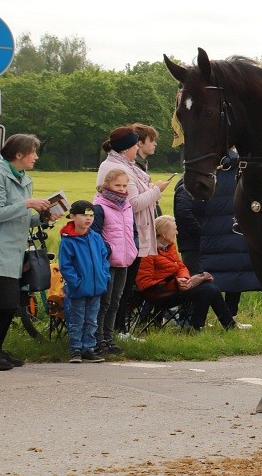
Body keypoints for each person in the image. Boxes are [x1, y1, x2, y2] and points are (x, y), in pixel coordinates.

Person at [0, 134, 50, 371]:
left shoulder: (24, 179)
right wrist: (27, 205)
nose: (36, 157)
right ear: (19, 154)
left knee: (11, 304)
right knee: (4, 303)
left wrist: (43, 217)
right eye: (33, 152)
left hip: (12, 251)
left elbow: (20, 217)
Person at [97, 125, 172, 337]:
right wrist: (157, 190)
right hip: (126, 232)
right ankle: (115, 331)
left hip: (130, 232)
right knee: (120, 288)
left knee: (124, 287)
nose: (137, 148)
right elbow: (133, 203)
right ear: (126, 148)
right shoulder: (116, 167)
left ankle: (117, 329)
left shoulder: (127, 166)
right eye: (134, 144)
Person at [176, 150, 259, 321]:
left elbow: (184, 210)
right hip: (234, 235)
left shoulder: (200, 178)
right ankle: (228, 317)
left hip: (205, 239)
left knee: (196, 278)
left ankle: (191, 317)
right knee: (234, 274)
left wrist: (203, 233)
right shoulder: (242, 176)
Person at [136, 216, 237, 331]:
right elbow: (144, 284)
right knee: (207, 289)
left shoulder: (169, 246)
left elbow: (181, 266)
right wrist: (175, 283)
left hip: (175, 288)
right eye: (174, 229)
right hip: (160, 295)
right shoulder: (148, 252)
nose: (177, 232)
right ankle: (198, 327)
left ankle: (223, 326)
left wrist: (184, 278)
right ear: (164, 234)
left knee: (210, 287)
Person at [58, 201, 111, 363]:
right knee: (77, 320)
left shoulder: (96, 238)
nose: (88, 219)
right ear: (73, 217)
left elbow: (104, 259)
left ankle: (89, 348)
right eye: (83, 215)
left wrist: (104, 276)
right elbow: (66, 266)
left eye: (91, 215)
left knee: (91, 320)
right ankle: (75, 349)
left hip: (96, 287)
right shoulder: (68, 241)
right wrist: (76, 283)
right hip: (79, 289)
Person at [92, 168, 137, 355]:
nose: (121, 189)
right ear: (107, 185)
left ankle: (109, 338)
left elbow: (131, 230)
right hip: (107, 262)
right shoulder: (99, 207)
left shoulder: (127, 206)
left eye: (124, 185)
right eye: (117, 185)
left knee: (116, 302)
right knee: (104, 301)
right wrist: (108, 250)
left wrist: (133, 247)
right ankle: (98, 338)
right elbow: (95, 235)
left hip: (125, 261)